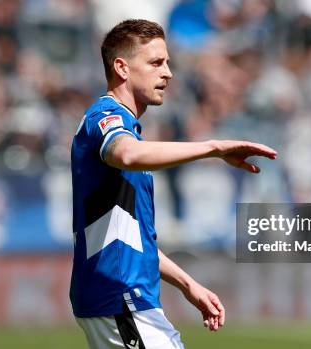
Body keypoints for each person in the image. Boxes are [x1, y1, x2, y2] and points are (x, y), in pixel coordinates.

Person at [71, 19, 277, 349]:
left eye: (167, 62)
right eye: (156, 63)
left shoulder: (127, 128)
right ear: (122, 68)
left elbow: (131, 238)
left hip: (123, 298)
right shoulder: (107, 116)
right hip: (121, 297)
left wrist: (187, 284)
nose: (168, 73)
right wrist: (214, 147)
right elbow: (125, 154)